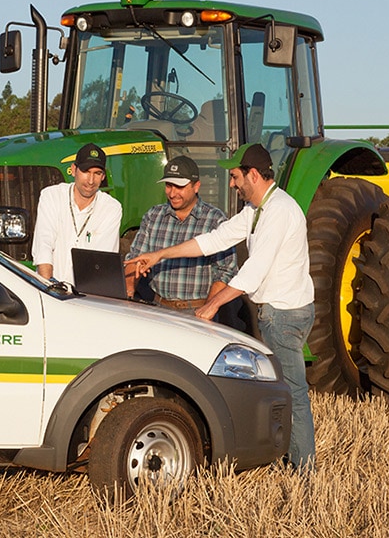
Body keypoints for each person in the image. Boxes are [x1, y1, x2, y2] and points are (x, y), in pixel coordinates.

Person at [126, 143, 316, 471]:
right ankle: (290, 459)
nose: (232, 183)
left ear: (253, 175)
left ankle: (304, 471)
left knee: (292, 394)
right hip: (275, 312)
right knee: (283, 392)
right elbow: (213, 241)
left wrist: (211, 305)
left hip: (283, 315)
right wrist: (160, 255)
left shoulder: (279, 212)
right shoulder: (256, 210)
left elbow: (253, 271)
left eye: (235, 176)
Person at [125, 155, 241, 327]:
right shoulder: (153, 216)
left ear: (196, 186)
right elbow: (135, 258)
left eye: (179, 186)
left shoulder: (214, 220)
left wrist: (207, 310)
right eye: (169, 185)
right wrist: (128, 296)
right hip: (156, 307)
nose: (172, 193)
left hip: (195, 311)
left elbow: (225, 271)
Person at [32, 143, 122, 284]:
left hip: (85, 296)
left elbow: (101, 260)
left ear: (103, 176)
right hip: (49, 288)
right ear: (74, 170)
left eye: (97, 173)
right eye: (86, 171)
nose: (91, 181)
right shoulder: (51, 196)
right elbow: (44, 243)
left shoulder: (111, 208)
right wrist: (48, 287)